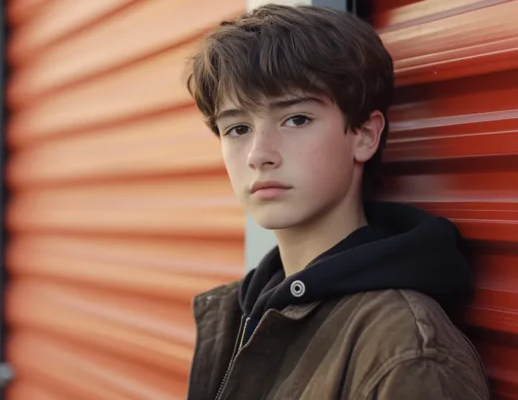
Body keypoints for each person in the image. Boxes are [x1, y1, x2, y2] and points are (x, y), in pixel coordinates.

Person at [184, 4, 490, 400]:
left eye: (296, 119)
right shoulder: (236, 314)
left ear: (364, 133)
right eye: (238, 128)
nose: (258, 154)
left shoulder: (406, 352)